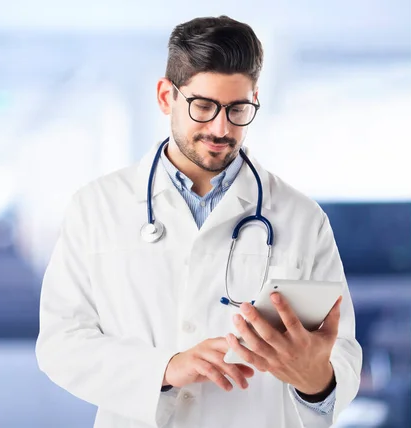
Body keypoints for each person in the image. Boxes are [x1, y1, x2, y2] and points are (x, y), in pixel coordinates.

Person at [35, 15, 362, 428]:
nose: (221, 128)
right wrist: (167, 368)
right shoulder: (97, 207)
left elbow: (342, 353)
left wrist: (315, 381)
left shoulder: (301, 218)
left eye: (238, 109)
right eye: (203, 106)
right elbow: (60, 345)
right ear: (165, 96)